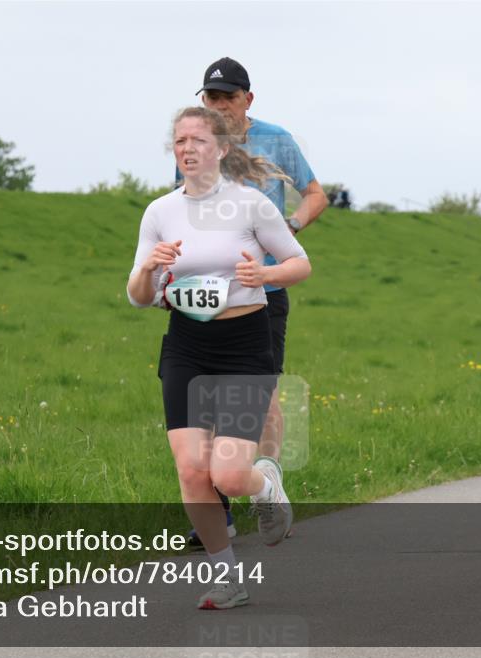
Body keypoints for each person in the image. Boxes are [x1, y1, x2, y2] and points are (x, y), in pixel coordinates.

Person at [128, 106, 312, 608]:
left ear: (222, 149)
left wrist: (264, 277)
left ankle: (265, 486)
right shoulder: (160, 212)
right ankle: (227, 577)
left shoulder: (251, 205)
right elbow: (138, 296)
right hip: (186, 344)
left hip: (243, 344)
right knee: (191, 470)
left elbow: (300, 263)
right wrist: (150, 269)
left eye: (198, 140)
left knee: (228, 475)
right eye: (180, 141)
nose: (187, 148)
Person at [181, 57, 328, 548]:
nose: (219, 106)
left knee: (256, 399)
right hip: (208, 295)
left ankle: (267, 486)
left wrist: (291, 227)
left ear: (248, 99)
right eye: (211, 98)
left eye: (228, 97)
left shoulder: (276, 139)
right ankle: (215, 517)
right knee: (204, 401)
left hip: (264, 291)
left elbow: (314, 194)